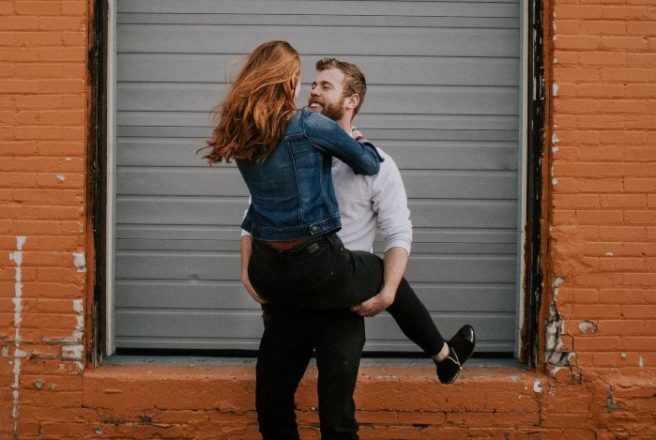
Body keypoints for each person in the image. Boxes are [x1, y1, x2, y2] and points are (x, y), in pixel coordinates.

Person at [205, 41, 475, 440]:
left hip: (340, 300)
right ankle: (443, 354)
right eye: (312, 84)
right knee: (270, 406)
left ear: (351, 101)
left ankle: (443, 355)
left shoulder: (378, 164)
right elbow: (254, 213)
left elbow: (398, 231)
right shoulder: (288, 141)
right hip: (291, 298)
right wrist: (246, 270)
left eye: (325, 86)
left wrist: (387, 294)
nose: (313, 91)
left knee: (337, 420)